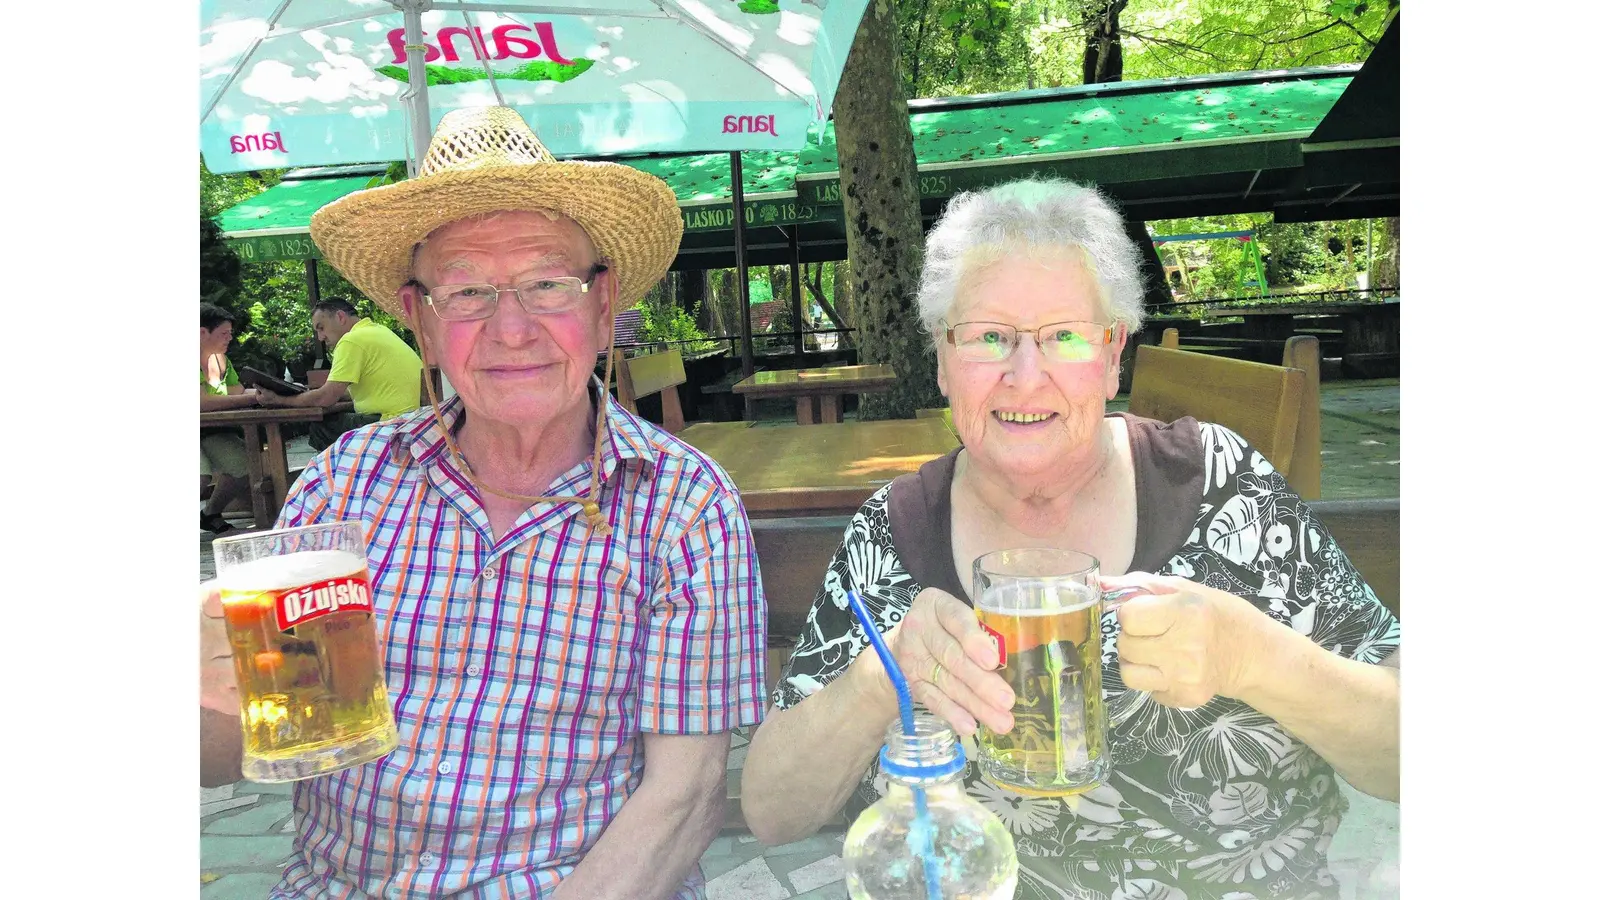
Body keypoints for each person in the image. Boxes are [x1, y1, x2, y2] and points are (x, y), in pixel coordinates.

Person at [740, 178, 1399, 900]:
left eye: (1066, 336)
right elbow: (772, 812)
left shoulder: (1223, 487)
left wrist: (1253, 658)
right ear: (941, 358)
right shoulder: (890, 534)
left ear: (1114, 353)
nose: (1026, 377)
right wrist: (879, 678)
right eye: (989, 337)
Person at [199, 107, 767, 899]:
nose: (510, 329)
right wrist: (209, 694)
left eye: (545, 285)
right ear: (420, 324)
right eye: (465, 291)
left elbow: (687, 794)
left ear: (602, 307)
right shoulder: (345, 484)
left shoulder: (681, 506)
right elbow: (235, 751)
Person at [256, 298, 425, 450]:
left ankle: (337, 480)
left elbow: (326, 398)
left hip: (391, 425)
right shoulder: (377, 331)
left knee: (321, 427)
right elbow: (345, 393)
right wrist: (307, 394)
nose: (321, 337)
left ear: (340, 317)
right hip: (414, 420)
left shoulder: (351, 340)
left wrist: (278, 400)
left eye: (321, 328)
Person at [199, 303, 260, 534]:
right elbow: (201, 402)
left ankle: (210, 514)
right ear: (202, 333)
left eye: (230, 333)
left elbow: (235, 390)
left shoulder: (219, 360)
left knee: (247, 464)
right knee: (199, 478)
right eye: (224, 334)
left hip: (209, 430)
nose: (230, 339)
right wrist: (251, 399)